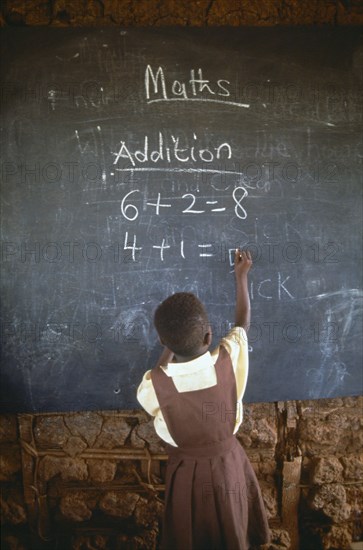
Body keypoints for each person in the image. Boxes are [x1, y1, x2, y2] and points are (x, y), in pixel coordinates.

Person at [137, 249, 270, 550]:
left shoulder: (154, 384)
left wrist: (169, 347)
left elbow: (157, 373)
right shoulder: (228, 358)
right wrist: (241, 277)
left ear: (162, 342)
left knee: (190, 533)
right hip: (229, 465)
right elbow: (242, 325)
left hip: (187, 475)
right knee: (233, 529)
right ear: (209, 336)